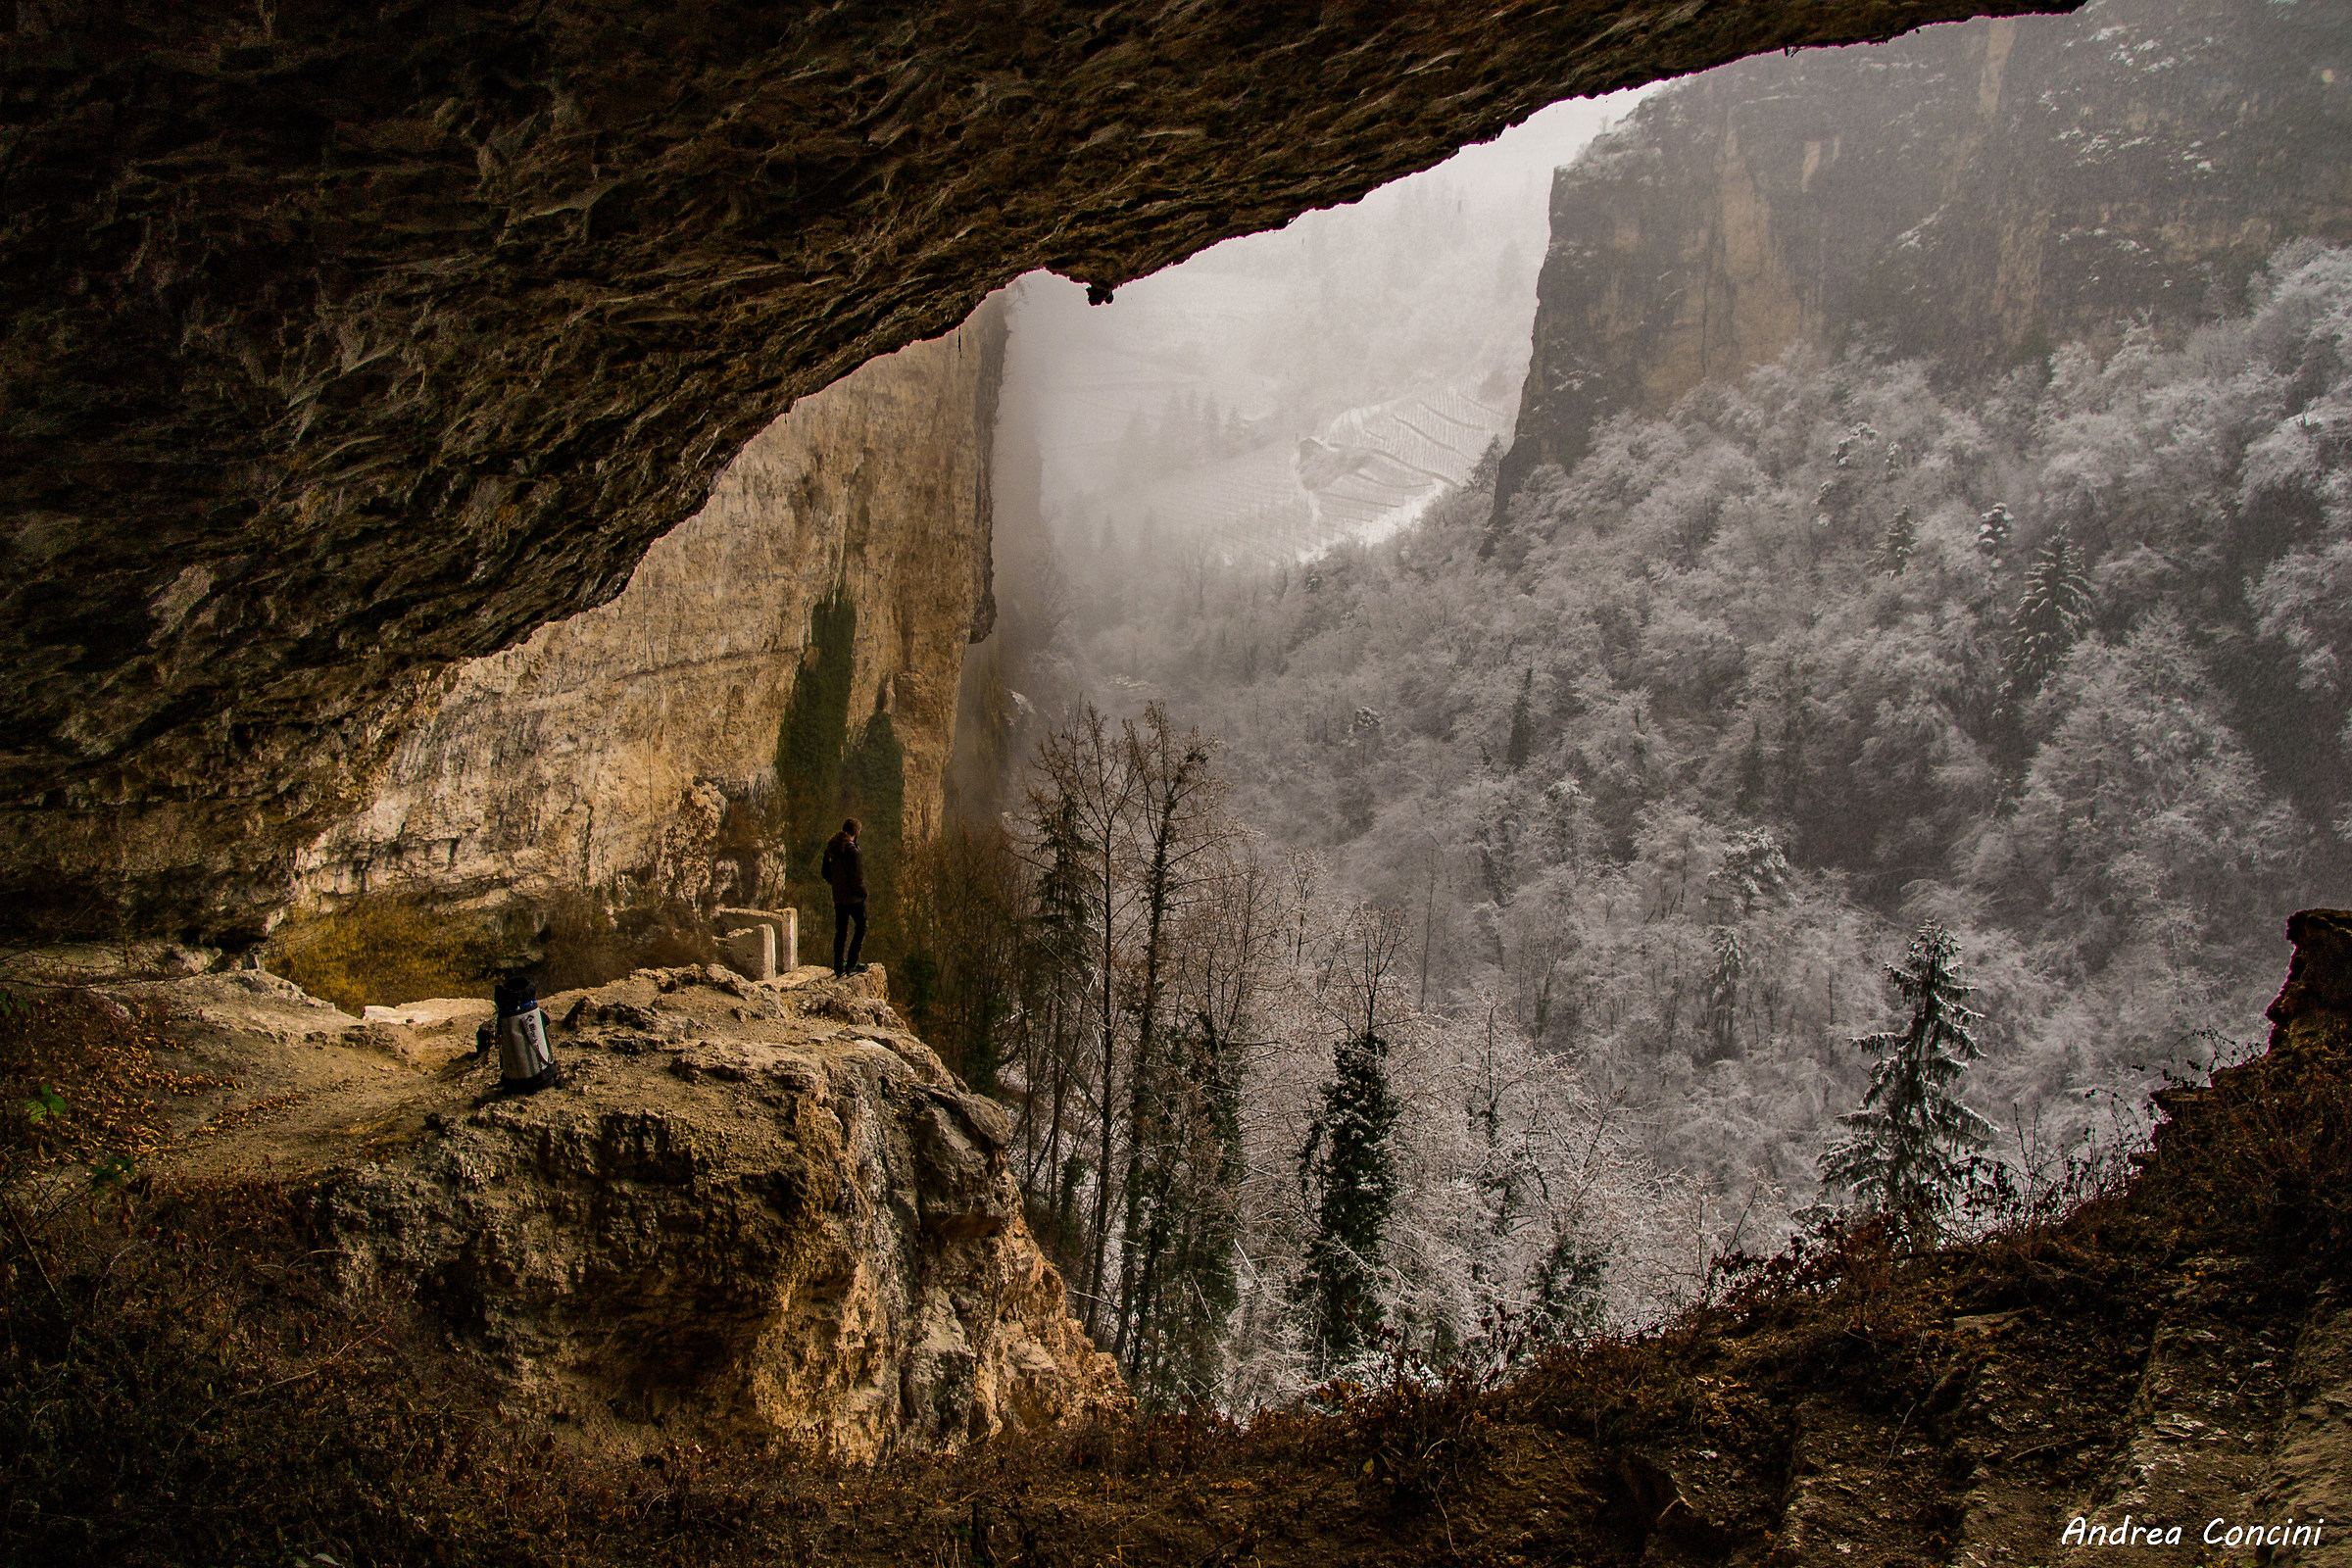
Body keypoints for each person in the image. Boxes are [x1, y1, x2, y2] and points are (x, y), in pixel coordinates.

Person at [821, 816, 867, 977]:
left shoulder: (831, 848)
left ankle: (838, 965)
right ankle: (852, 964)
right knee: (861, 927)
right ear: (856, 832)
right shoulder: (853, 852)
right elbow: (858, 878)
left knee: (840, 931)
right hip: (854, 898)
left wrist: (836, 884)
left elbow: (825, 873)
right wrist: (863, 893)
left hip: (839, 896)